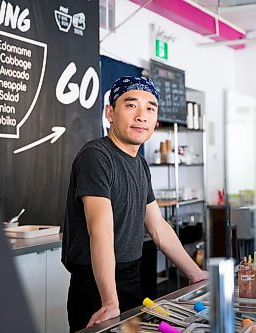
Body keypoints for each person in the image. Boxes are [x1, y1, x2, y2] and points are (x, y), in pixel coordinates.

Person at [61, 76, 208, 332]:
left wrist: (195, 273)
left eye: (150, 108)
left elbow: (158, 227)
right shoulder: (97, 156)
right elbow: (101, 230)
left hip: (130, 277)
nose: (142, 115)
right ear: (110, 113)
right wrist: (109, 300)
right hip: (96, 285)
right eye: (131, 105)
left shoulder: (139, 163)